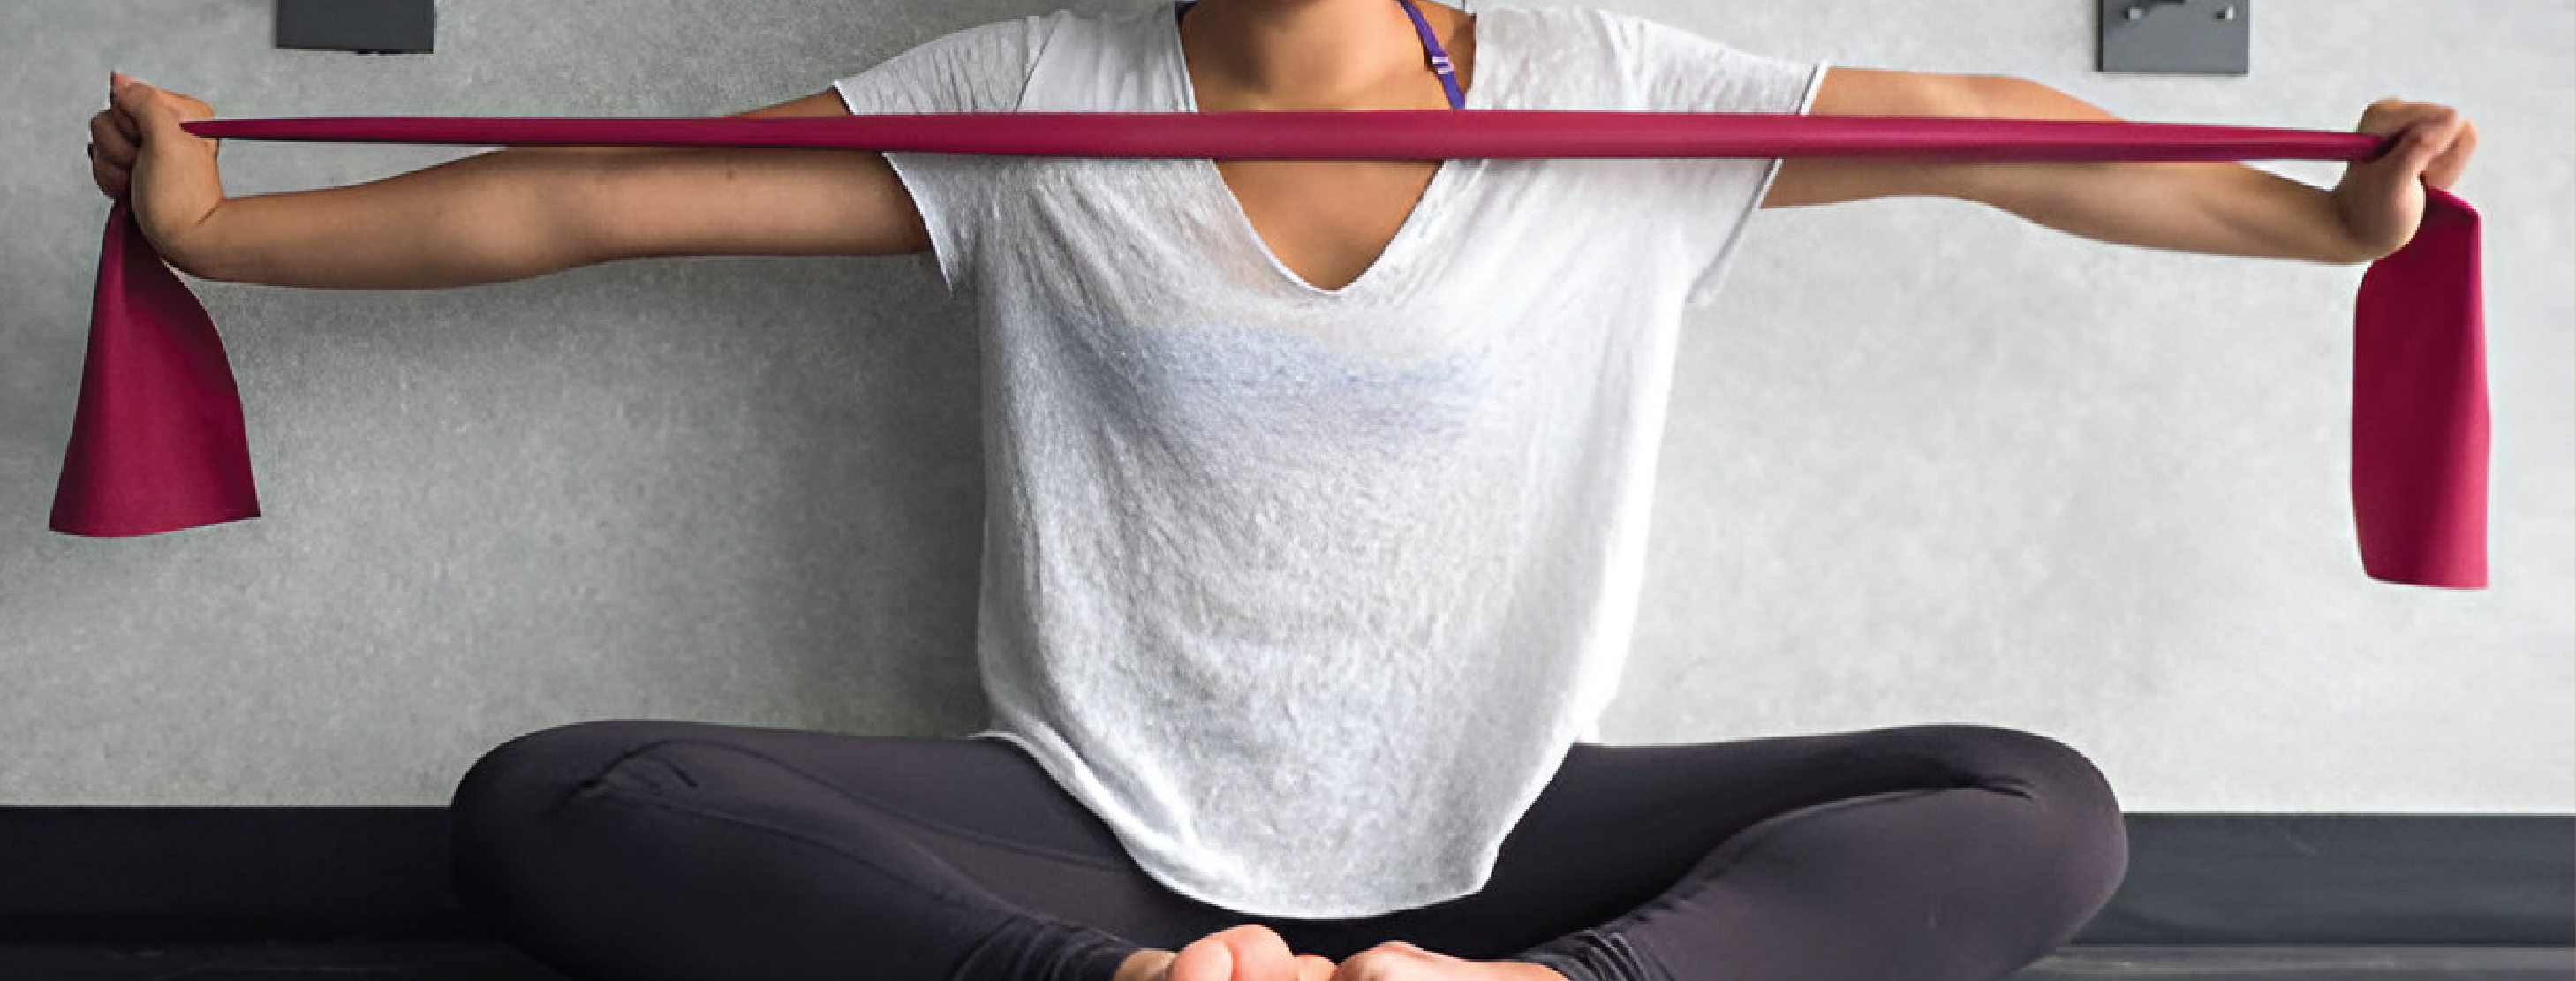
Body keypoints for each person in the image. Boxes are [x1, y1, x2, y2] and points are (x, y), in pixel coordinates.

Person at [87, 1, 2477, 979]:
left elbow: (1984, 140)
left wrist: (2322, 225)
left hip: (1516, 824)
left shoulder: (1610, 97)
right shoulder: (1030, 96)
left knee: (2036, 808)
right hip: (1099, 828)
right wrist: (217, 232)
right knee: (558, 802)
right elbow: (597, 197)